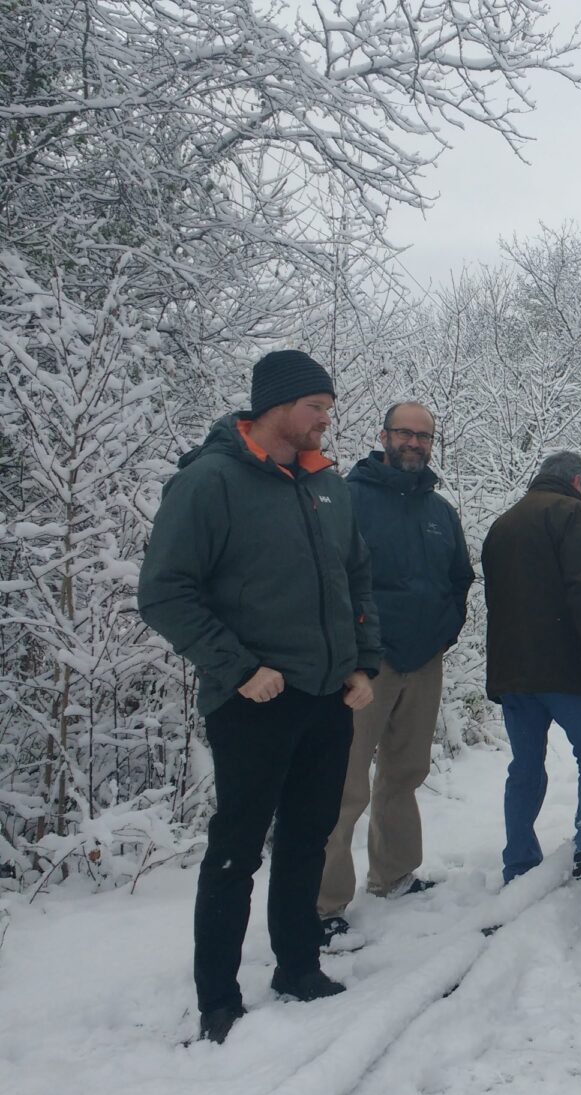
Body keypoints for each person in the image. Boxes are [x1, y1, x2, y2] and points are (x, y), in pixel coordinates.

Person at [138, 350, 381, 1045]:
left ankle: (297, 967)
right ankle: (217, 997)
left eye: (329, 409)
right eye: (316, 408)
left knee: (309, 838)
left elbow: (356, 578)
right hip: (253, 700)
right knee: (236, 850)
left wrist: (364, 663)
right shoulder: (212, 481)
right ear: (276, 405)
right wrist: (238, 666)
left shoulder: (326, 485)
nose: (326, 421)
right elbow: (164, 591)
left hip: (329, 695)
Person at [317, 402, 473, 943]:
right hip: (365, 665)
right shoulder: (348, 498)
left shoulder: (439, 511)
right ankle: (324, 902)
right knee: (344, 782)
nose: (414, 443)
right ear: (383, 435)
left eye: (424, 436)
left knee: (405, 773)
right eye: (405, 433)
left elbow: (460, 579)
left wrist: (444, 631)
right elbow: (329, 578)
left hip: (423, 661)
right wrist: (354, 650)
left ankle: (394, 874)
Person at [482, 451, 581, 895]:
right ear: (579, 481)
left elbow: (494, 602)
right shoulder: (574, 515)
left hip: (513, 672)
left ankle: (519, 862)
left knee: (525, 765)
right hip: (567, 670)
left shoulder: (503, 524)